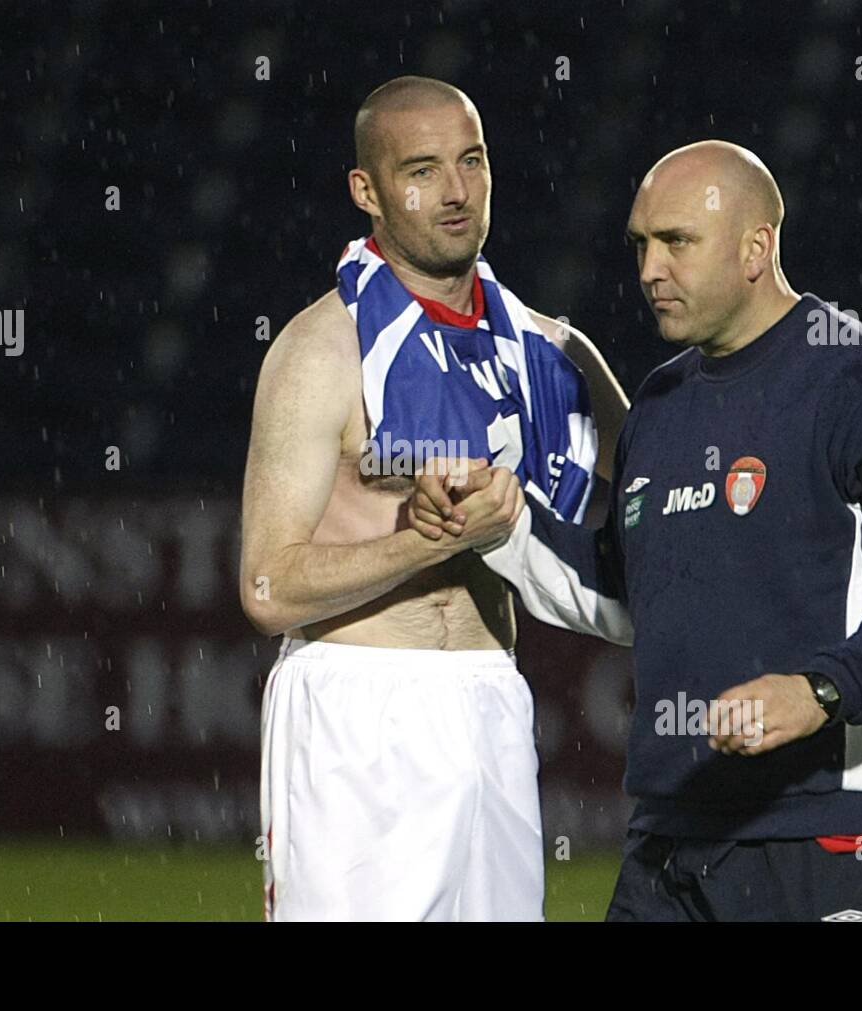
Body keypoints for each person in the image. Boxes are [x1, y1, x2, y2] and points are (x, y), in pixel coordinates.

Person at [410, 140, 862, 922]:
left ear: (757, 248)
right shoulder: (659, 403)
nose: (649, 268)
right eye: (641, 244)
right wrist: (504, 526)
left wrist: (822, 690)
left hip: (826, 837)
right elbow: (625, 593)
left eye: (677, 241)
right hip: (671, 838)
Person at [238, 75, 628, 921]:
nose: (455, 191)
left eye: (472, 161)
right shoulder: (322, 350)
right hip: (358, 710)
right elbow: (267, 587)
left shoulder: (550, 351)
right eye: (421, 170)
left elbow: (669, 489)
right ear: (366, 191)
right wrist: (426, 540)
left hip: (491, 692)